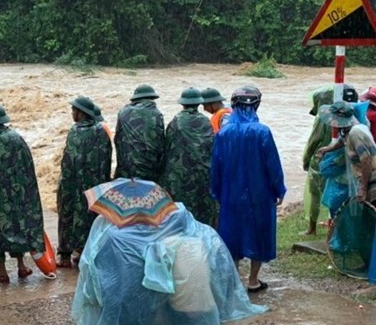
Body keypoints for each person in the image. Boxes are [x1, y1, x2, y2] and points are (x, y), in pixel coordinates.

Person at [72, 197, 267, 325]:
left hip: (171, 306)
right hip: (200, 308)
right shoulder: (199, 235)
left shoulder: (115, 236)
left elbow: (101, 282)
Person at [210, 86, 286, 293]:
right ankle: (253, 280)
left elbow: (216, 166)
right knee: (259, 233)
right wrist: (279, 189)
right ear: (257, 105)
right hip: (259, 193)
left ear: (234, 106)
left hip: (230, 193)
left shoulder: (224, 134)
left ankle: (234, 280)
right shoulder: (262, 131)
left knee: (231, 232)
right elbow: (273, 165)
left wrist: (216, 192)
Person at [0, 105, 45, 283]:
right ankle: (22, 266)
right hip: (15, 193)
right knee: (16, 228)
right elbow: (27, 165)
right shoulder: (16, 138)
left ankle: (2, 272)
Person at [57, 96, 113, 268]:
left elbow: (67, 159)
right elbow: (106, 158)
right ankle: (83, 253)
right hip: (92, 185)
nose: (72, 113)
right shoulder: (101, 131)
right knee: (88, 217)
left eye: (74, 110)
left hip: (70, 183)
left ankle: (64, 256)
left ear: (81, 113)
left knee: (67, 215)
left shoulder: (74, 131)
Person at [301, 84, 357, 235]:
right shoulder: (355, 115)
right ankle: (335, 227)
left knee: (316, 194)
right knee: (339, 195)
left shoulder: (325, 118)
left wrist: (306, 160)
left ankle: (314, 228)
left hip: (324, 161)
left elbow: (314, 140)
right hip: (343, 161)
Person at [160, 87, 217, 226]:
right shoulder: (205, 121)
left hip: (180, 175)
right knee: (202, 211)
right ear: (199, 103)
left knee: (181, 211)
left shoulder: (176, 121)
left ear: (183, 103)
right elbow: (211, 146)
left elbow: (167, 147)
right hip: (202, 174)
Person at [316, 101, 376, 205]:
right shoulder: (354, 128)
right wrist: (328, 148)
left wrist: (363, 188)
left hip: (373, 182)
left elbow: (366, 160)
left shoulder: (355, 133)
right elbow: (344, 140)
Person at [114, 84, 165, 182]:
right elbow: (160, 143)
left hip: (126, 167)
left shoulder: (123, 112)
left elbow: (117, 139)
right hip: (149, 168)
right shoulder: (156, 114)